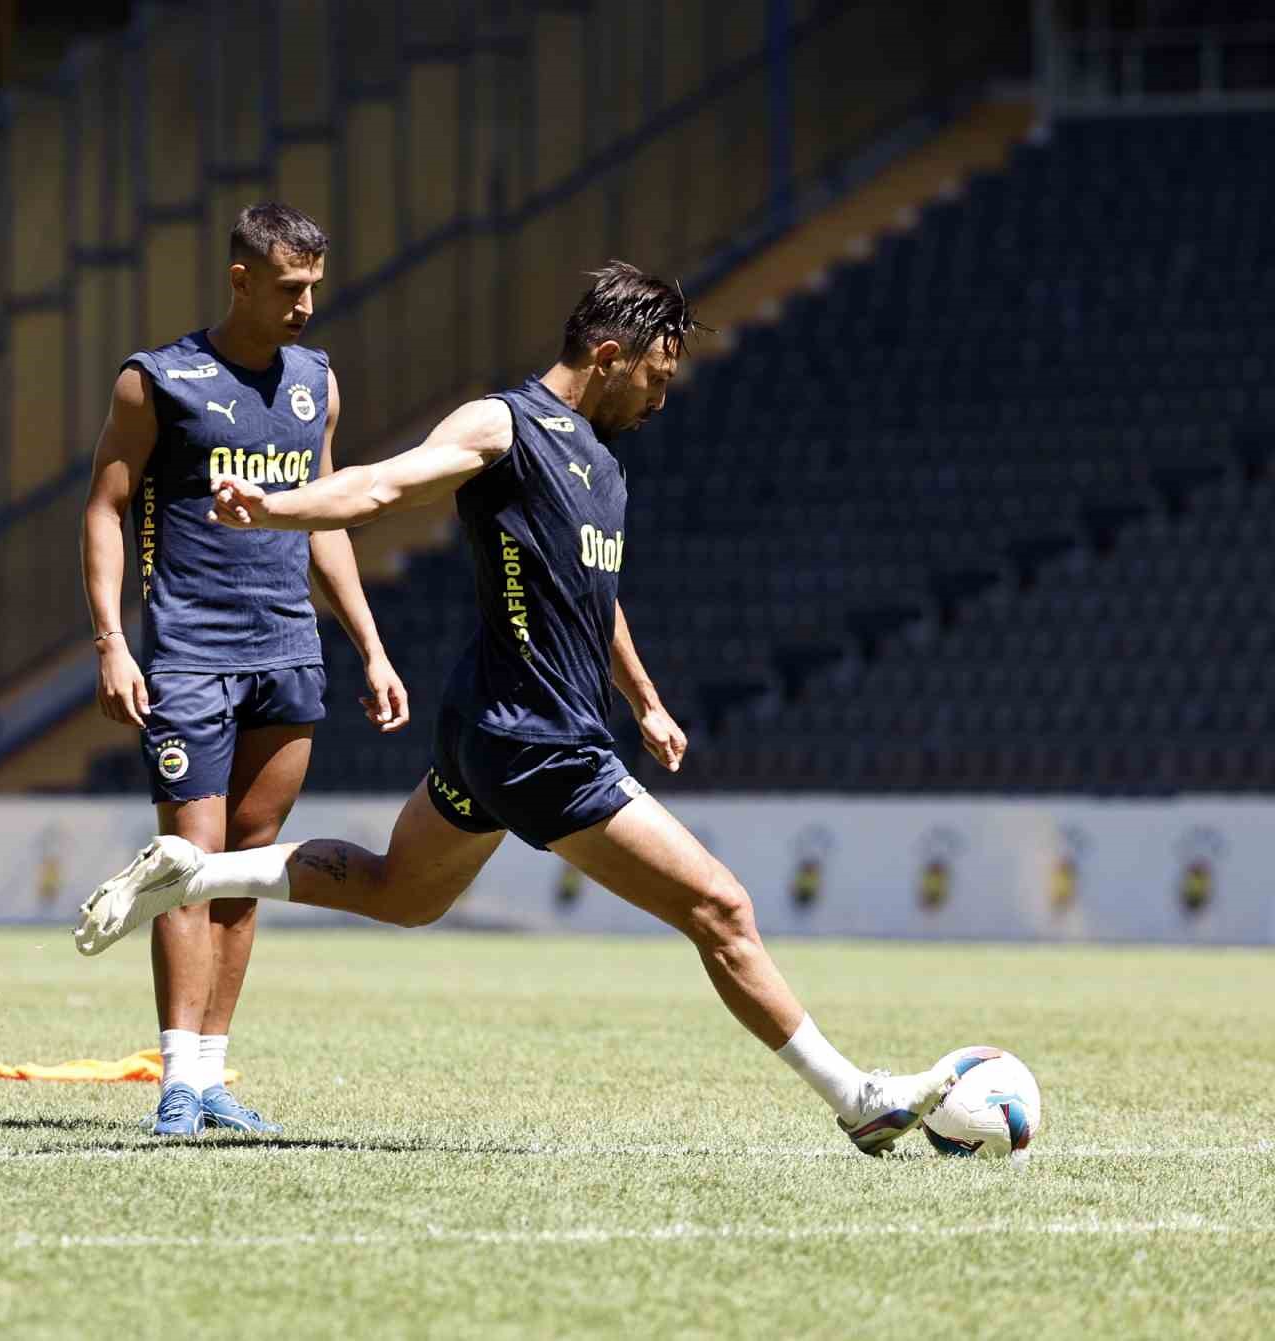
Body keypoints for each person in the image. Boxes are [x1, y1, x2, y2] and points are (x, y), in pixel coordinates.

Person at [76, 260, 954, 1154]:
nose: (661, 398)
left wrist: (643, 699)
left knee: (400, 891)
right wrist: (275, 507)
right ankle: (859, 1098)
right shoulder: (505, 424)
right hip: (538, 740)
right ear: (609, 355)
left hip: (493, 735)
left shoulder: (606, 466)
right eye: (656, 377)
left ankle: (195, 873)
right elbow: (383, 484)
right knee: (721, 909)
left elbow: (592, 594)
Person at [80, 202, 408, 1137]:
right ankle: (176, 1079)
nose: (307, 303)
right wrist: (112, 640)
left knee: (248, 868)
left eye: (315, 285)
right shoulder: (158, 381)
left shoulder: (317, 384)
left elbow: (324, 519)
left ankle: (214, 1077)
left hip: (287, 652)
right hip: (190, 653)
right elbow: (104, 507)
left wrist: (370, 645)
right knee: (189, 861)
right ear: (242, 278)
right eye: (291, 286)